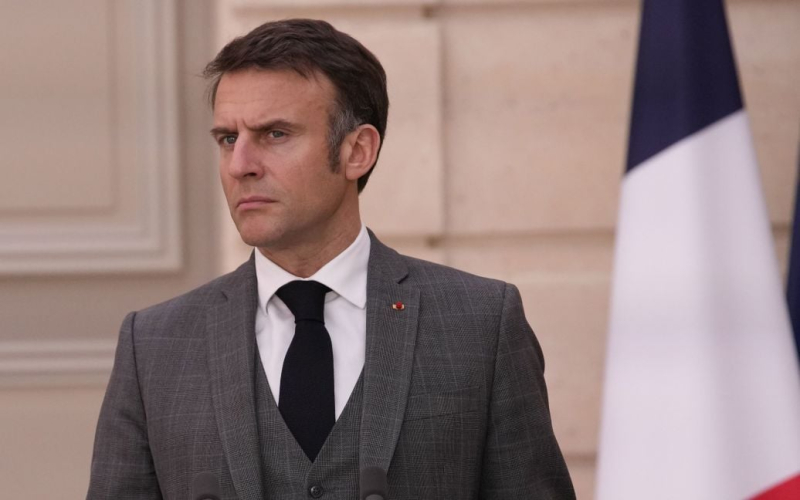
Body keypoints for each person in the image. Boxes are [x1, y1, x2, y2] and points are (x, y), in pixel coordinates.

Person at [87, 19, 575, 500]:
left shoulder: (481, 324)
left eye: (275, 134)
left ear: (357, 151)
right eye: (228, 138)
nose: (240, 165)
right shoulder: (154, 344)